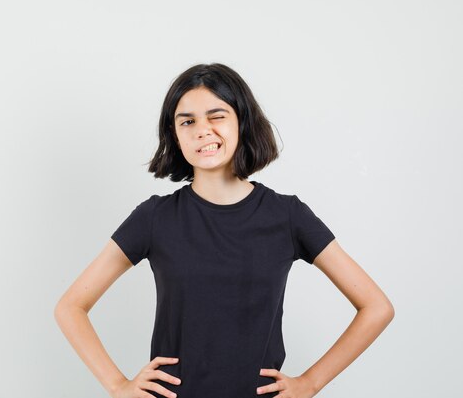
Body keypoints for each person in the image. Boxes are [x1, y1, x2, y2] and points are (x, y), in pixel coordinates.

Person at [54, 63, 394, 398]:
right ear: (175, 134)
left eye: (216, 116)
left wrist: (310, 383)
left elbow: (376, 307)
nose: (202, 130)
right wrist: (118, 386)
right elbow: (71, 307)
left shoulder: (288, 216)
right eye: (187, 121)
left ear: (242, 122)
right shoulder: (154, 218)